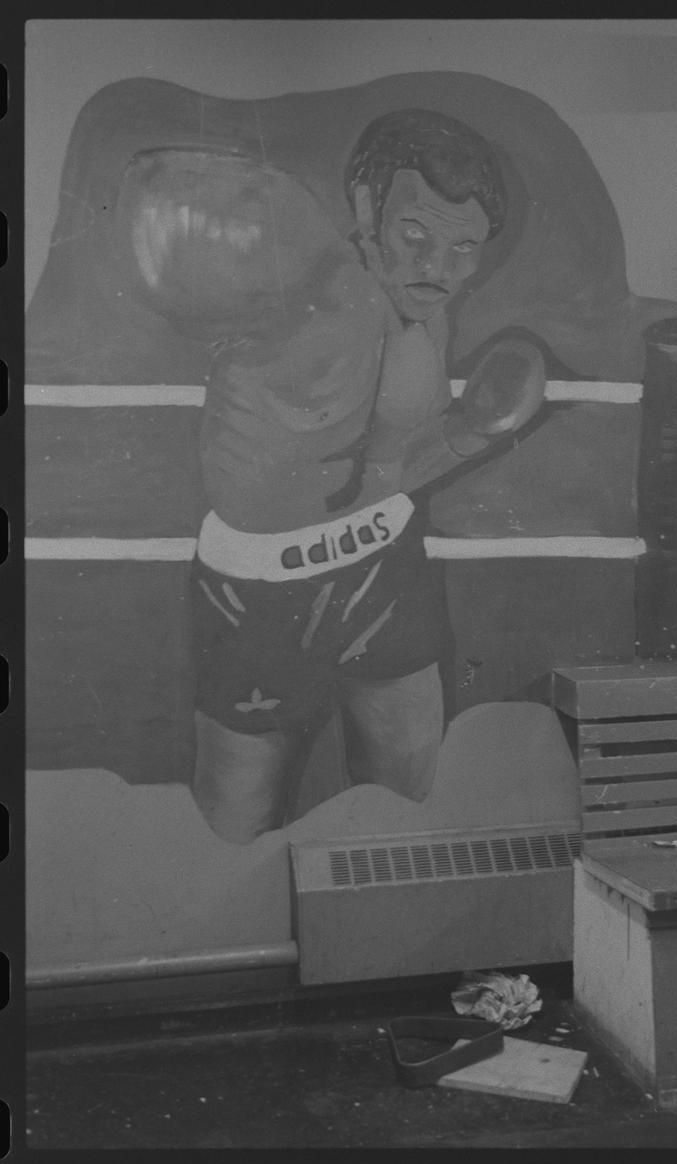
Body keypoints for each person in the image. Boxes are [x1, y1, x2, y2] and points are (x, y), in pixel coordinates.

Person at [129, 108, 545, 842]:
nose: (437, 266)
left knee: (406, 812)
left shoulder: (427, 307)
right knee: (235, 833)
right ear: (365, 206)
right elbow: (165, 228)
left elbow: (377, 473)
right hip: (256, 595)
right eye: (416, 232)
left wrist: (471, 430)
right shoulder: (305, 278)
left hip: (383, 568)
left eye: (463, 246)